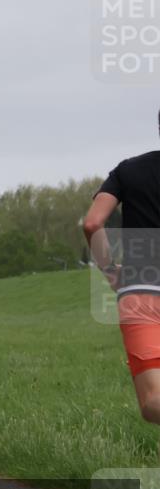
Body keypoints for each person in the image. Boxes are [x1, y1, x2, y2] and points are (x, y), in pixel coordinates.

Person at [83, 111, 160, 425]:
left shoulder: (128, 170)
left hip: (141, 290)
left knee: (153, 400)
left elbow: (92, 223)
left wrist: (110, 270)